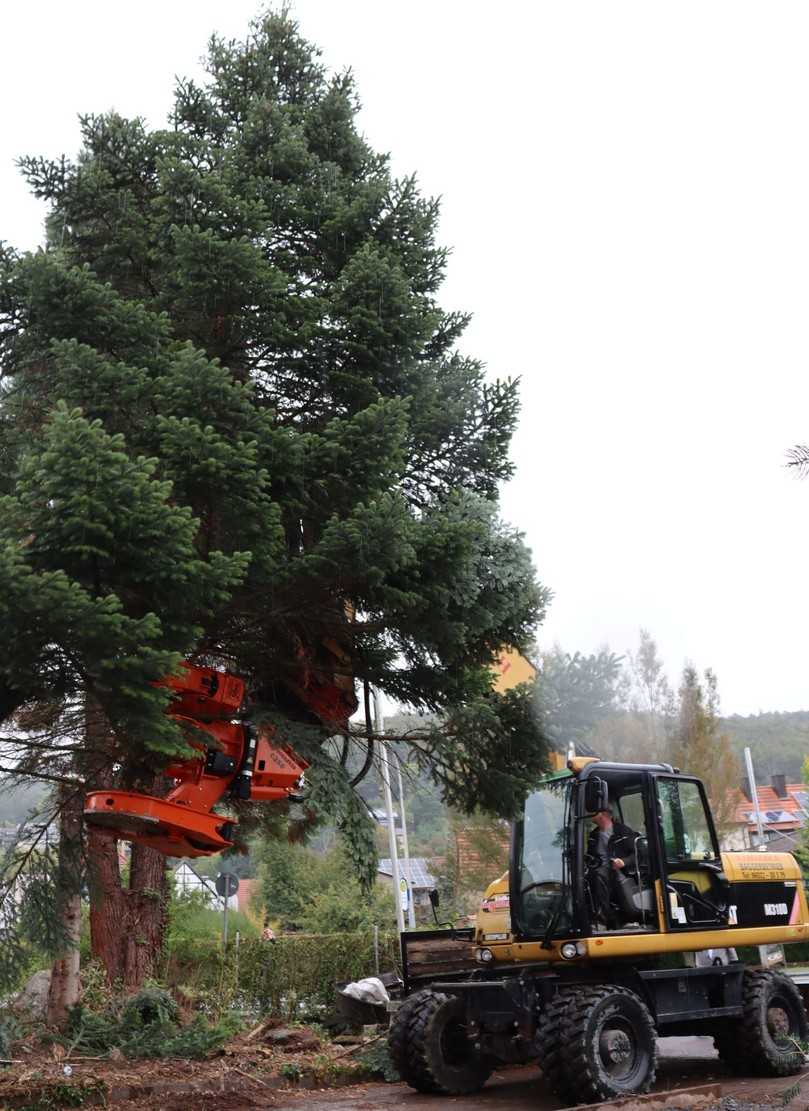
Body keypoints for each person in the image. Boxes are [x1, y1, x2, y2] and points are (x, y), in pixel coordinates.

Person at [587, 808, 640, 929]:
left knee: (600, 877)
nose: (589, 814)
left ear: (603, 815)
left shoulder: (623, 832)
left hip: (620, 870)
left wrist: (623, 862)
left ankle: (602, 920)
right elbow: (590, 857)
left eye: (593, 811)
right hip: (598, 869)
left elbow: (638, 854)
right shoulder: (593, 835)